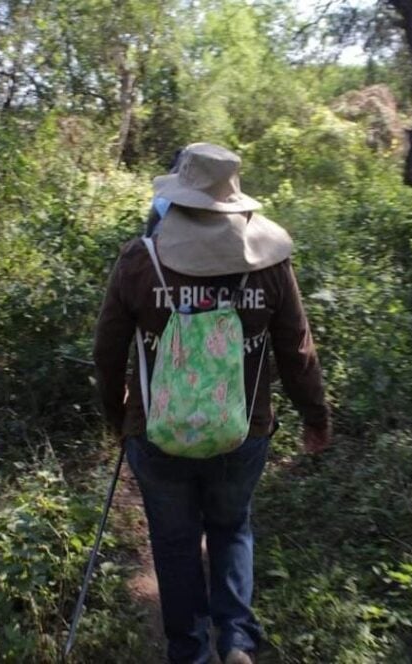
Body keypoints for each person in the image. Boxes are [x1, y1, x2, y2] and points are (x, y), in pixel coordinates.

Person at [93, 143, 331, 664]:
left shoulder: (141, 260)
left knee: (175, 546)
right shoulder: (270, 263)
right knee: (231, 526)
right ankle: (238, 640)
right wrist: (316, 416)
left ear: (175, 199)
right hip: (242, 429)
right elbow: (296, 349)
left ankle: (190, 651)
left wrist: (119, 417)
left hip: (158, 435)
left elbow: (106, 353)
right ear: (234, 199)